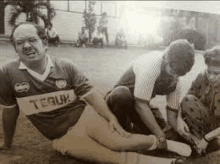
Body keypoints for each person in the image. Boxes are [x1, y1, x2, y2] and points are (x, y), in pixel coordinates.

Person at [0, 22, 187, 164]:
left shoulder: (65, 66)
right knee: (108, 158)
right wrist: (7, 142)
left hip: (84, 118)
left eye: (32, 40)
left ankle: (165, 144)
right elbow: (10, 111)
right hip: (61, 137)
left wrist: (111, 118)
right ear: (15, 48)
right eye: (20, 42)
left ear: (45, 43)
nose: (26, 46)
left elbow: (90, 95)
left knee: (118, 142)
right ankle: (167, 162)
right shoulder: (8, 73)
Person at [105, 39, 196, 151]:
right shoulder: (152, 65)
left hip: (139, 106)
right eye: (173, 72)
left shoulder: (176, 80)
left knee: (169, 133)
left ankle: (137, 134)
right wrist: (159, 135)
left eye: (180, 75)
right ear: (166, 59)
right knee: (122, 94)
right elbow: (140, 104)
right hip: (118, 101)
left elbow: (172, 115)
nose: (175, 78)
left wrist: (186, 134)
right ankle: (125, 133)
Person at [180, 46, 220, 155]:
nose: (211, 77)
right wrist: (179, 120)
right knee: (189, 100)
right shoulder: (202, 77)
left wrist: (207, 138)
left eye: (216, 74)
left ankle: (205, 143)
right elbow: (185, 100)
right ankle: (197, 142)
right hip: (200, 122)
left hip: (217, 128)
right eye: (209, 72)